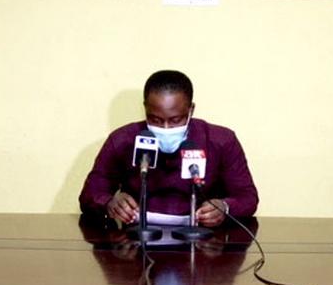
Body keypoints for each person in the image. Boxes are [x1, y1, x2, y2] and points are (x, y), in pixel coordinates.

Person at [79, 70, 259, 228]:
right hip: (136, 241)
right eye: (155, 120)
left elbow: (248, 198)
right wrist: (110, 203)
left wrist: (225, 207)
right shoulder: (122, 139)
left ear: (191, 110)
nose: (165, 129)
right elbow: (90, 194)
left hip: (204, 242)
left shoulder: (221, 140)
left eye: (175, 120)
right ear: (145, 109)